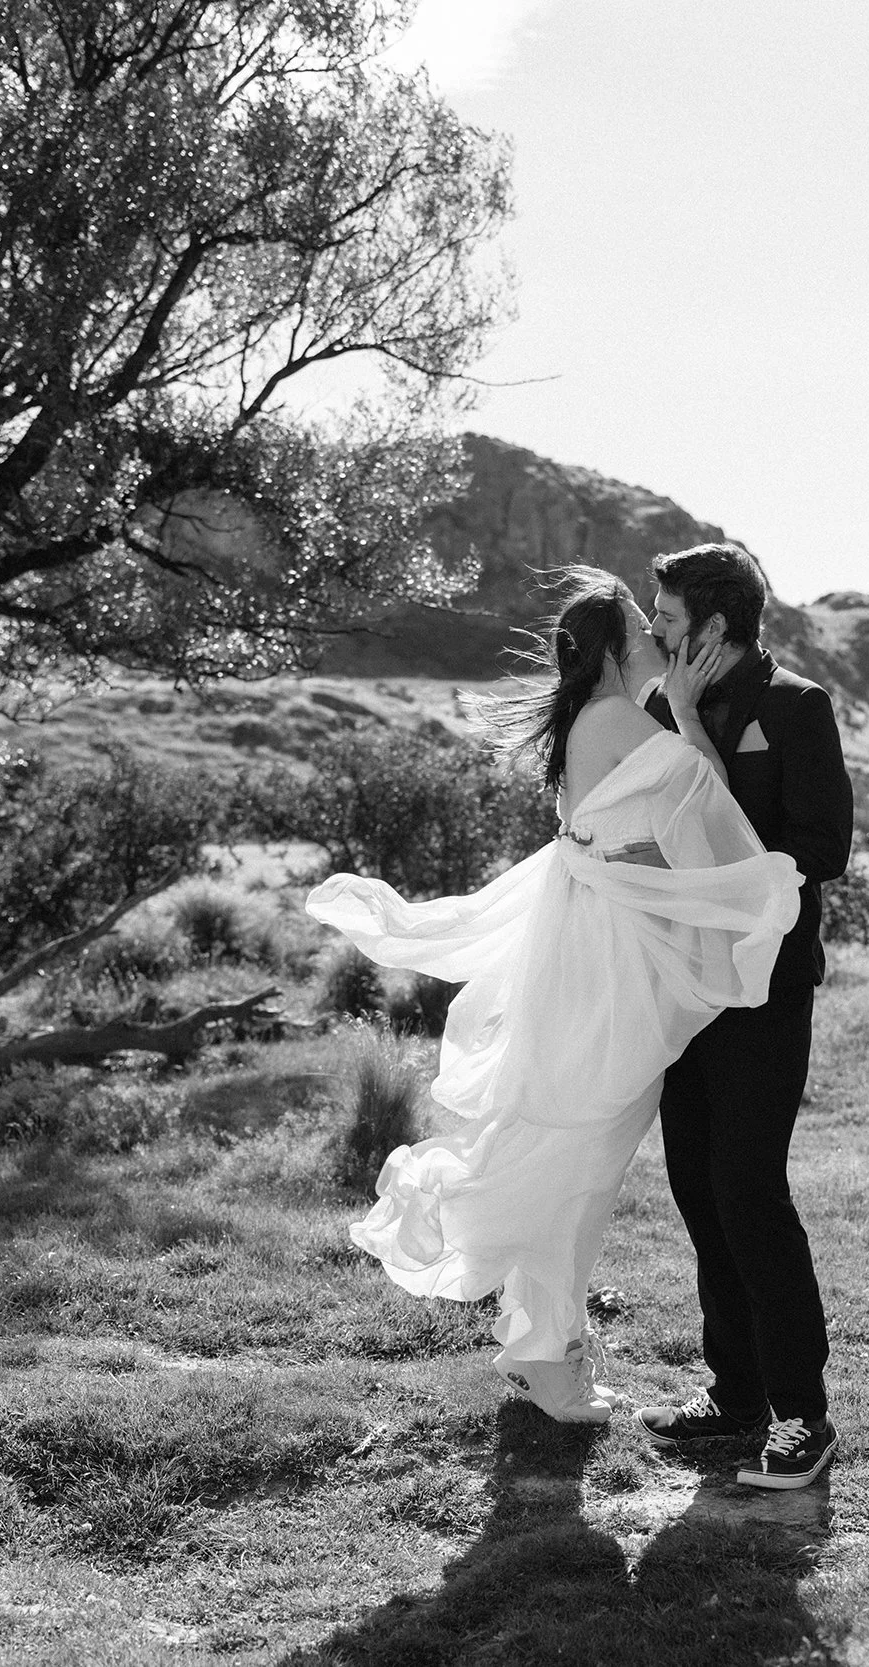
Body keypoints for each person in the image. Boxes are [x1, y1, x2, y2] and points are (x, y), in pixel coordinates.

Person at [305, 568, 801, 1424]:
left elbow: (624, 835)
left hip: (587, 957)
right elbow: (716, 817)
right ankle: (551, 1362)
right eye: (644, 634)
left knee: (569, 1152)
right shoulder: (618, 720)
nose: (659, 641)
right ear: (615, 651)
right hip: (607, 971)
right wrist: (684, 715)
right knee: (580, 1164)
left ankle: (544, 1352)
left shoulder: (590, 720)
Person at [635, 543, 852, 1491]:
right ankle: (736, 1396)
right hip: (684, 988)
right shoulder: (653, 710)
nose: (654, 630)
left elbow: (821, 847)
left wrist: (691, 726)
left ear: (715, 628)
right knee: (694, 1185)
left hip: (766, 990)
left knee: (749, 1189)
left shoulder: (797, 708)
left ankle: (804, 1414)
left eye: (668, 617)